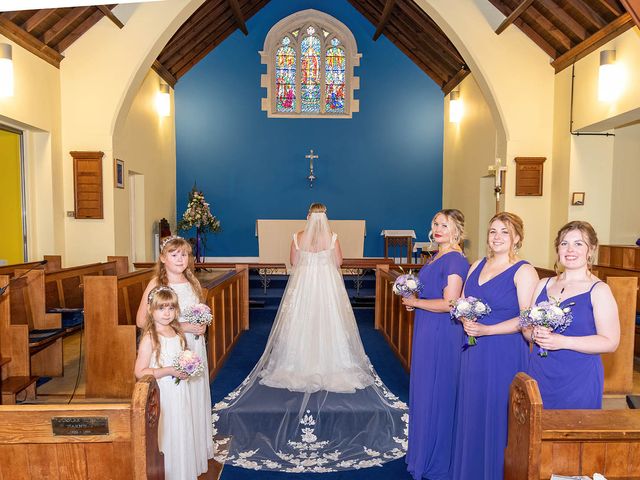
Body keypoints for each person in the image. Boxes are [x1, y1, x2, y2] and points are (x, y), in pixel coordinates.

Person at [211, 203, 408, 473]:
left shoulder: (298, 235)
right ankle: (331, 362)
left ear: (308, 216)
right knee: (330, 323)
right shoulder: (333, 236)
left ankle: (298, 363)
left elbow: (294, 262)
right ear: (325, 217)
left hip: (304, 285)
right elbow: (338, 262)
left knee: (300, 323)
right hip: (327, 285)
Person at [452, 212, 538, 480]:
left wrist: (488, 329)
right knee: (473, 410)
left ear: (517, 238)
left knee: (499, 413)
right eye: (493, 231)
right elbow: (462, 301)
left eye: (505, 231)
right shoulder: (476, 264)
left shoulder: (524, 271)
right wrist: (466, 317)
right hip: (474, 350)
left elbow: (526, 319)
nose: (497, 237)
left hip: (505, 351)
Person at [136, 236, 213, 472]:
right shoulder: (156, 284)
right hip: (170, 349)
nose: (181, 259)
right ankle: (172, 456)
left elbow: (194, 313)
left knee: (193, 398)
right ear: (162, 258)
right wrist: (184, 326)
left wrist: (201, 324)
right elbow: (141, 321)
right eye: (174, 254)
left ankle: (192, 451)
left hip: (193, 347)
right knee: (175, 400)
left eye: (184, 255)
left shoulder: (192, 283)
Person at [402, 209, 469, 480]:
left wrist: (416, 302)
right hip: (426, 328)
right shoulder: (435, 256)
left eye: (445, 225)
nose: (438, 228)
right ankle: (423, 451)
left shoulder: (454, 259)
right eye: (436, 224)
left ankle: (438, 459)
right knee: (424, 389)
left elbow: (450, 304)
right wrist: (413, 295)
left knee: (437, 391)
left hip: (443, 333)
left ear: (457, 230)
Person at [525, 221, 619, 409]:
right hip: (540, 371)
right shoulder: (543, 284)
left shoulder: (599, 290)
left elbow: (611, 341)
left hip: (578, 378)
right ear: (557, 249)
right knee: (535, 431)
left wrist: (563, 341)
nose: (570, 249)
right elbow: (527, 329)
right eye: (564, 243)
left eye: (578, 244)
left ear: (591, 250)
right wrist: (535, 334)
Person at [134, 286, 197, 479]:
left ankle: (182, 471)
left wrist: (188, 367)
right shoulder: (151, 337)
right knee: (166, 430)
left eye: (170, 308)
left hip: (179, 391)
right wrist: (169, 370)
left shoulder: (177, 332)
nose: (167, 313)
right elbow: (139, 372)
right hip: (162, 392)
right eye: (161, 308)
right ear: (151, 311)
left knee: (180, 428)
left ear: (176, 310)